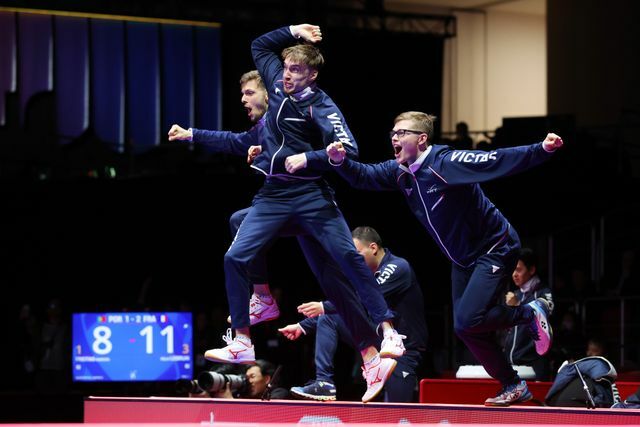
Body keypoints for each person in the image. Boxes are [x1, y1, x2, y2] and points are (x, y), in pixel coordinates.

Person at [204, 24, 403, 403]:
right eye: (285, 68)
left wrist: (313, 156)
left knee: (342, 268)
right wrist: (294, 30)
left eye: (296, 70)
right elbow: (257, 42)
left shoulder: (321, 105)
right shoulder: (275, 85)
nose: (288, 75)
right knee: (234, 254)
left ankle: (382, 340)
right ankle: (243, 340)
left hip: (311, 197)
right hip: (275, 196)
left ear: (311, 73)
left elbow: (348, 147)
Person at [326, 111, 563, 406]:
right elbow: (364, 176)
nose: (394, 138)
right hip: (463, 258)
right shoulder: (401, 172)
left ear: (422, 139)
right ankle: (513, 384)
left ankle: (529, 313)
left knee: (469, 318)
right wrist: (339, 161)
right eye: (392, 134)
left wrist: (540, 150)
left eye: (402, 133)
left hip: (495, 246)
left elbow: (495, 160)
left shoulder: (445, 163)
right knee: (464, 328)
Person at [280, 226, 428, 402]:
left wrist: (324, 306)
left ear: (373, 248)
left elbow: (362, 299)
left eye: (357, 253)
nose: (353, 259)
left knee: (396, 411)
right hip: (378, 342)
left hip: (403, 350)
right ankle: (324, 382)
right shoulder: (364, 277)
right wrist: (303, 326)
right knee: (328, 318)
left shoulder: (398, 267)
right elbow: (348, 310)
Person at [503, 248, 554, 381]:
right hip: (511, 366)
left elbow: (545, 316)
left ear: (531, 270)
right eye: (513, 270)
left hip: (534, 367)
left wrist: (518, 306)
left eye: (518, 270)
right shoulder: (514, 295)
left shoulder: (543, 293)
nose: (514, 274)